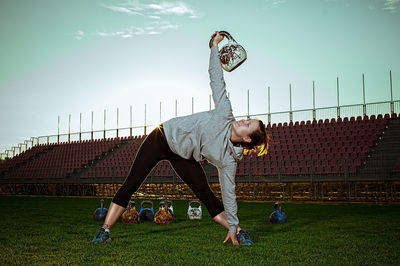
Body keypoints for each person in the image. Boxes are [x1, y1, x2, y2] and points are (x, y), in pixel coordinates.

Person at [92, 31, 269, 245]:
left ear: (248, 140)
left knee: (206, 195)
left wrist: (233, 225)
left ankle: (238, 231)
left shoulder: (228, 160)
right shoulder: (225, 113)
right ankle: (105, 231)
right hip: (162, 136)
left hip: (183, 155)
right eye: (247, 119)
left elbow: (228, 195)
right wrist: (214, 47)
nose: (243, 121)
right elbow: (216, 79)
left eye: (248, 125)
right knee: (133, 182)